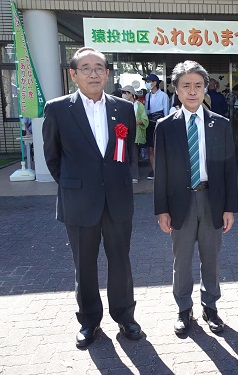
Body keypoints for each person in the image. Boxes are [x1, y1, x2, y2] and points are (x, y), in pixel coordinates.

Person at [42, 47, 142, 348]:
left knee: (121, 262)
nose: (93, 73)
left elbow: (127, 153)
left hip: (117, 199)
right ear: (73, 74)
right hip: (79, 201)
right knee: (84, 264)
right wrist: (75, 185)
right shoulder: (58, 108)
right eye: (85, 68)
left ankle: (125, 317)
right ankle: (89, 321)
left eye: (99, 67)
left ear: (108, 73)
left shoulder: (123, 109)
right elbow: (52, 156)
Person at [154, 60, 238, 335]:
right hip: (180, 202)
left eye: (198, 86)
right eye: (186, 86)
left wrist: (230, 208)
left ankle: (210, 307)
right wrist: (161, 210)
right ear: (176, 90)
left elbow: (228, 169)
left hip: (211, 200)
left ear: (206, 89)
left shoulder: (220, 124)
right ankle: (183, 309)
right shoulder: (165, 127)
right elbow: (162, 173)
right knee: (182, 259)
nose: (192, 91)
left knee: (211, 258)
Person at [120, 85, 149, 183]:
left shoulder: (139, 105)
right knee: (123, 154)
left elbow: (145, 120)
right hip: (122, 134)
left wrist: (134, 122)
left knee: (133, 155)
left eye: (125, 93)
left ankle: (134, 176)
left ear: (131, 94)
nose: (123, 95)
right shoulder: (121, 104)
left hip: (135, 134)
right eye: (122, 93)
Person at [143, 73, 170, 180]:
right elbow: (146, 110)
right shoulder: (147, 95)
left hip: (159, 122)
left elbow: (166, 112)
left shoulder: (164, 96)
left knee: (160, 148)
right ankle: (154, 170)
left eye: (149, 81)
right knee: (150, 148)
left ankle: (162, 169)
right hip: (149, 123)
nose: (147, 84)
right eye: (147, 82)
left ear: (155, 83)